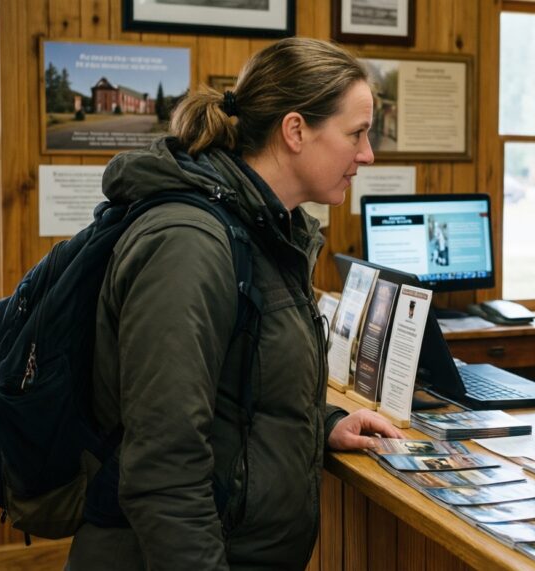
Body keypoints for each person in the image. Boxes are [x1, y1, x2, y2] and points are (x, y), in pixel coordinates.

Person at [67, 38, 404, 570]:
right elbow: (163, 467)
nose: (367, 154)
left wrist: (321, 422)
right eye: (356, 133)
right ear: (295, 131)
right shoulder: (189, 244)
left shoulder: (268, 232)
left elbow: (237, 388)